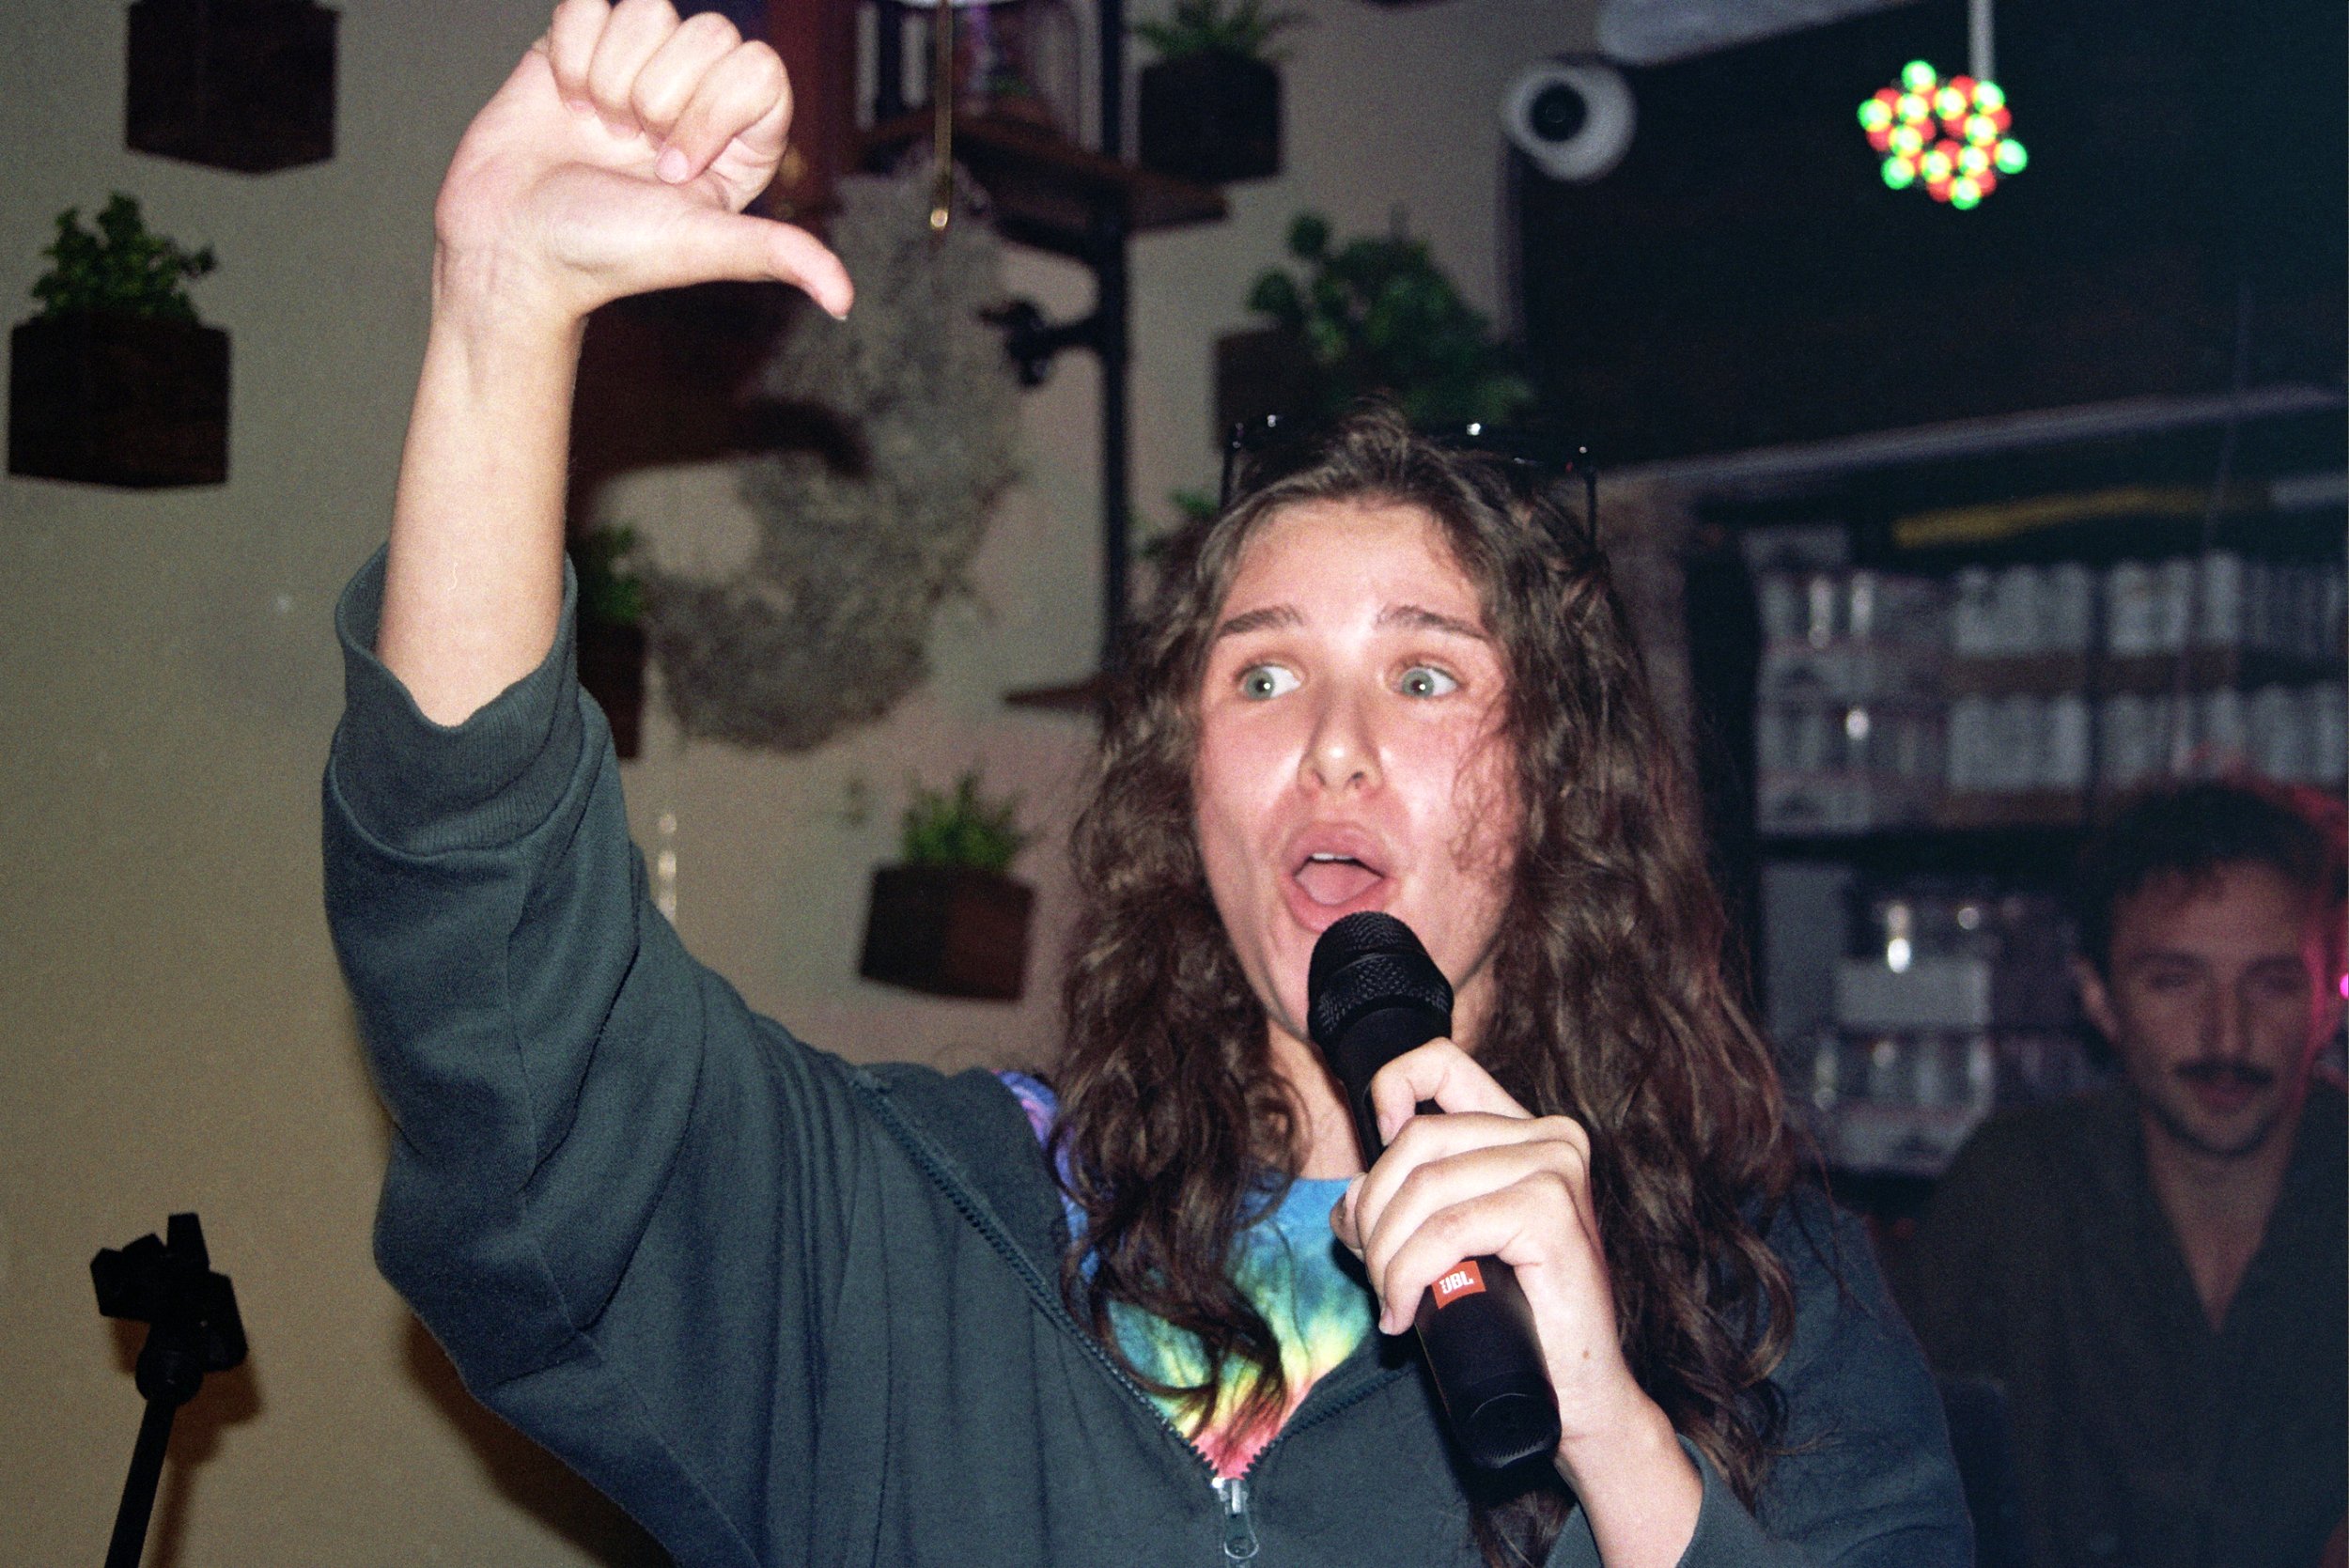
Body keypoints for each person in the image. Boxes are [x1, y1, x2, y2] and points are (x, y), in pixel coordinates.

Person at [322, 3, 1968, 1562]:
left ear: (1558, 782)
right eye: (1262, 674)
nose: (1333, 740)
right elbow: (505, 1003)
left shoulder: (1759, 1297)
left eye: (1424, 675)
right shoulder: (934, 1232)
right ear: (1188, 786)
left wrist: (1613, 1431)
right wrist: (499, 320)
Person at [1898, 779, 2349, 1568]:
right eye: (2175, 980)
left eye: (2272, 982)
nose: (2227, 1033)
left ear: (2331, 1000)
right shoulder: (2012, 1192)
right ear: (2099, 997)